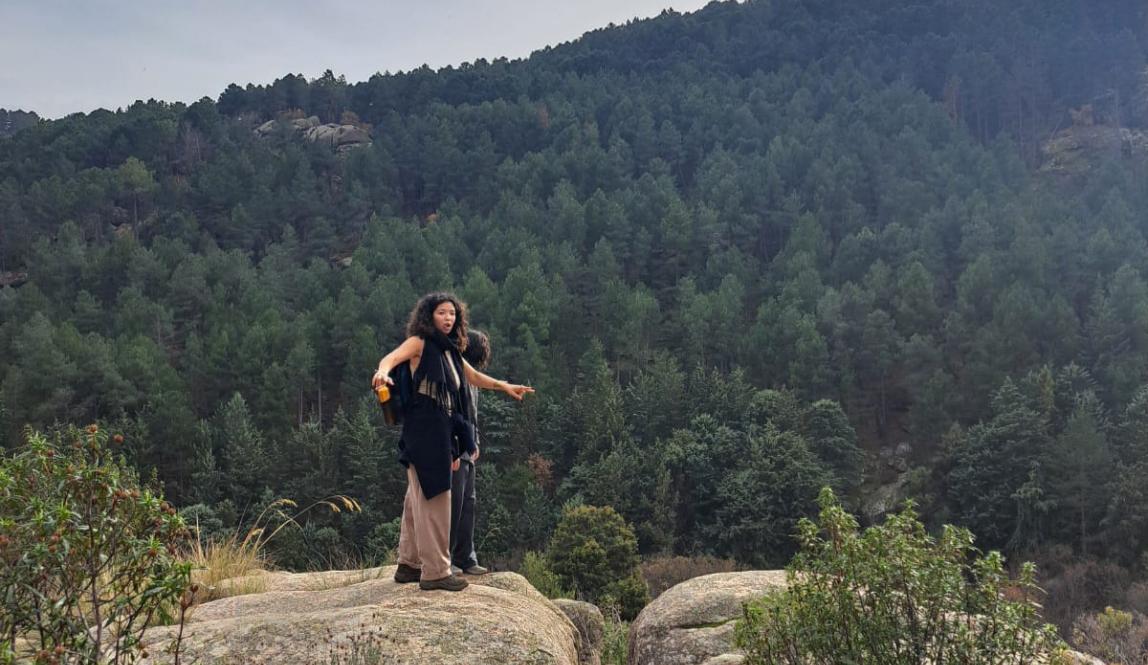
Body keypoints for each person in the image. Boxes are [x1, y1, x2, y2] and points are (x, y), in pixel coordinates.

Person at [372, 293, 533, 591]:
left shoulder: (450, 351)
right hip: (426, 427)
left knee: (416, 495)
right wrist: (382, 372)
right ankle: (435, 572)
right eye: (442, 313)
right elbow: (392, 358)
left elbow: (473, 377)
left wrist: (504, 386)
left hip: (438, 425)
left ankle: (408, 565)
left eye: (452, 314)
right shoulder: (420, 342)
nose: (448, 318)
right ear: (428, 316)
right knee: (436, 497)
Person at [451, 329, 491, 575]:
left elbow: (473, 416)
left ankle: (466, 558)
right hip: (456, 446)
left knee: (468, 504)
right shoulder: (455, 374)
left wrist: (475, 442)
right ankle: (445, 560)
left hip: (468, 449)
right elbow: (456, 414)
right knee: (453, 505)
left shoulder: (473, 378)